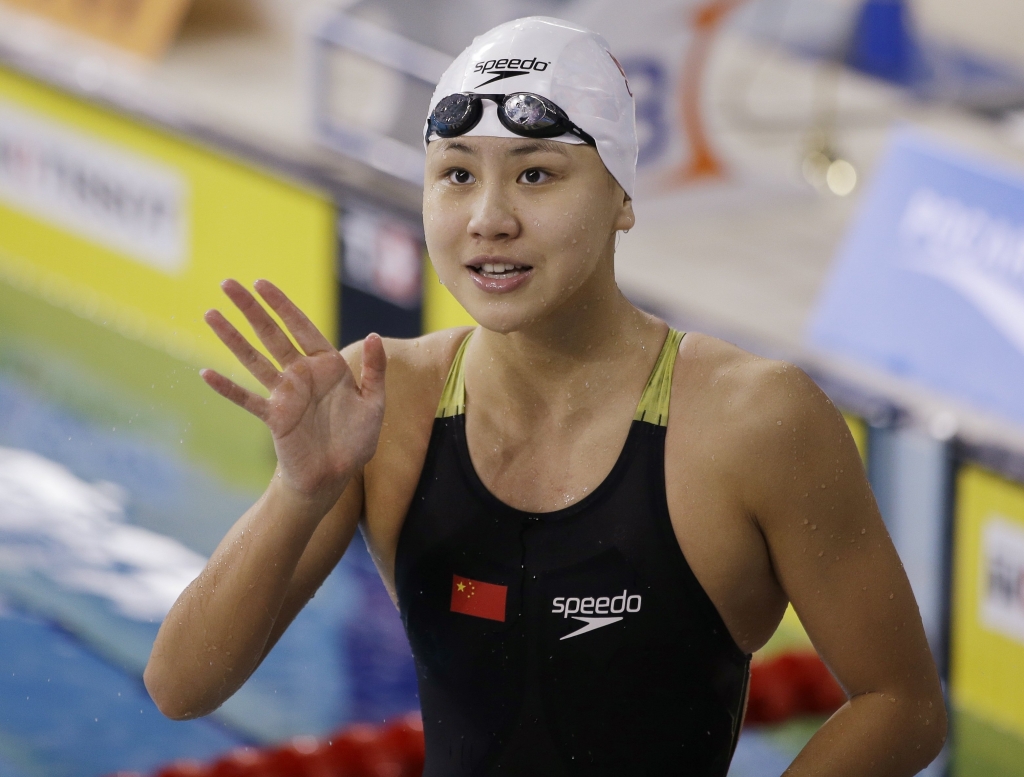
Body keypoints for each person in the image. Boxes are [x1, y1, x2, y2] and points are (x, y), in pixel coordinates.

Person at [144, 16, 946, 776]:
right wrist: (299, 490)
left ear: (622, 197)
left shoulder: (755, 419)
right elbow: (182, 686)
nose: (490, 219)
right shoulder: (386, 403)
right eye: (456, 174)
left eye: (536, 174)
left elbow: (903, 702)